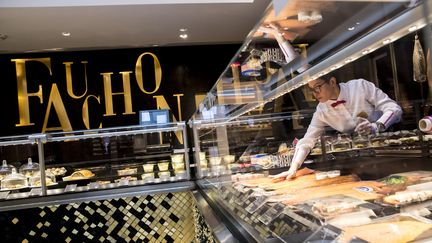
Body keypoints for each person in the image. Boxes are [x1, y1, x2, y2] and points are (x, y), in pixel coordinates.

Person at [273, 76, 403, 180]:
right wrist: (294, 167)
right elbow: (308, 140)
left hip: (388, 152)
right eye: (311, 90)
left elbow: (394, 108)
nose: (314, 94)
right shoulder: (322, 110)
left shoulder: (360, 87)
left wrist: (377, 126)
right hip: (359, 161)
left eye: (317, 87)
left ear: (332, 81)